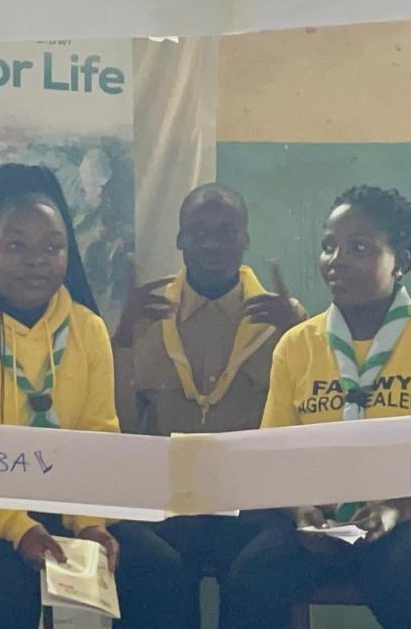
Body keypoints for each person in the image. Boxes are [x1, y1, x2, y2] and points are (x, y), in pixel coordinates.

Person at [0, 164, 186, 629]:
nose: (36, 260)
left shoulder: (87, 329)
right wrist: (16, 528)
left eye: (52, 247)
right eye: (16, 245)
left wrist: (91, 523)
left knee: (160, 571)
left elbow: (97, 438)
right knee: (12, 590)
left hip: (50, 503)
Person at [222, 186, 411, 629]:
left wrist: (398, 509)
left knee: (401, 570)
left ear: (401, 261)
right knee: (252, 573)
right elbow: (274, 461)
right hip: (325, 525)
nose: (336, 260)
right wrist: (301, 511)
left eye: (358, 248)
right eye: (329, 246)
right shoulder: (297, 345)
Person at [111, 183, 307, 628]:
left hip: (251, 501)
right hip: (168, 500)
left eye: (225, 231)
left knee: (262, 568)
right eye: (198, 231)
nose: (212, 244)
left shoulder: (279, 320)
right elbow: (120, 424)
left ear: (245, 239)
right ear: (180, 239)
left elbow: (315, 414)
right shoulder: (148, 316)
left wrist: (303, 331)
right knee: (147, 563)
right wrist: (122, 340)